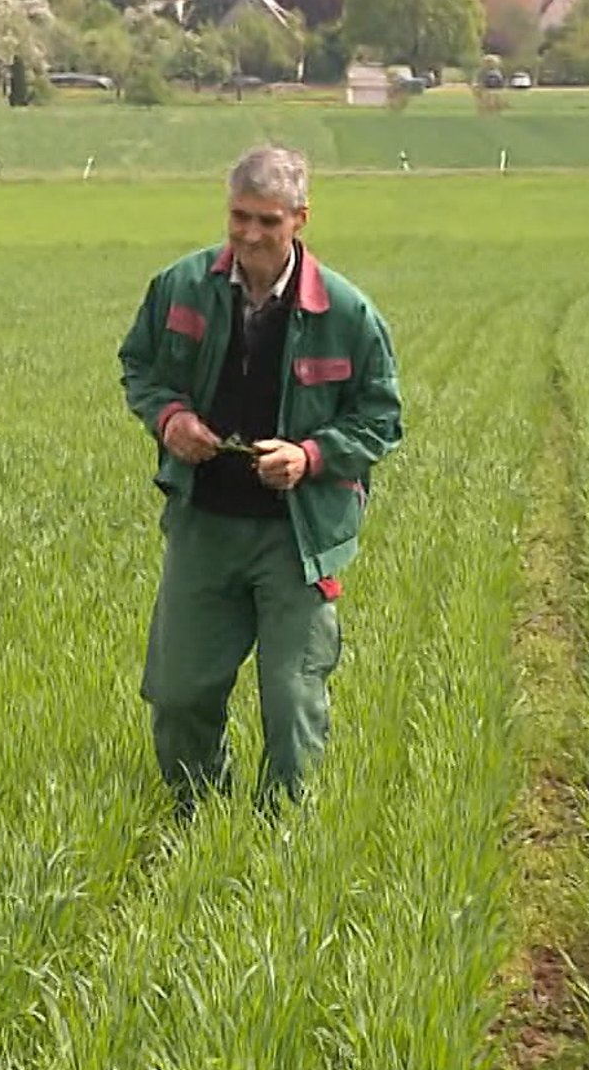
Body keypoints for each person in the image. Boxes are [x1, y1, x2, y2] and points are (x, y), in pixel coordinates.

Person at [117, 144, 403, 814]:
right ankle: (200, 813)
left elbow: (381, 418)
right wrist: (170, 418)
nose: (249, 235)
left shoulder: (348, 314)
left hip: (297, 535)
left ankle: (282, 838)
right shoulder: (180, 287)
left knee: (289, 696)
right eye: (239, 217)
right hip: (205, 523)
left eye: (267, 221)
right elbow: (140, 366)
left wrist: (309, 457)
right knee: (180, 689)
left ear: (301, 219)